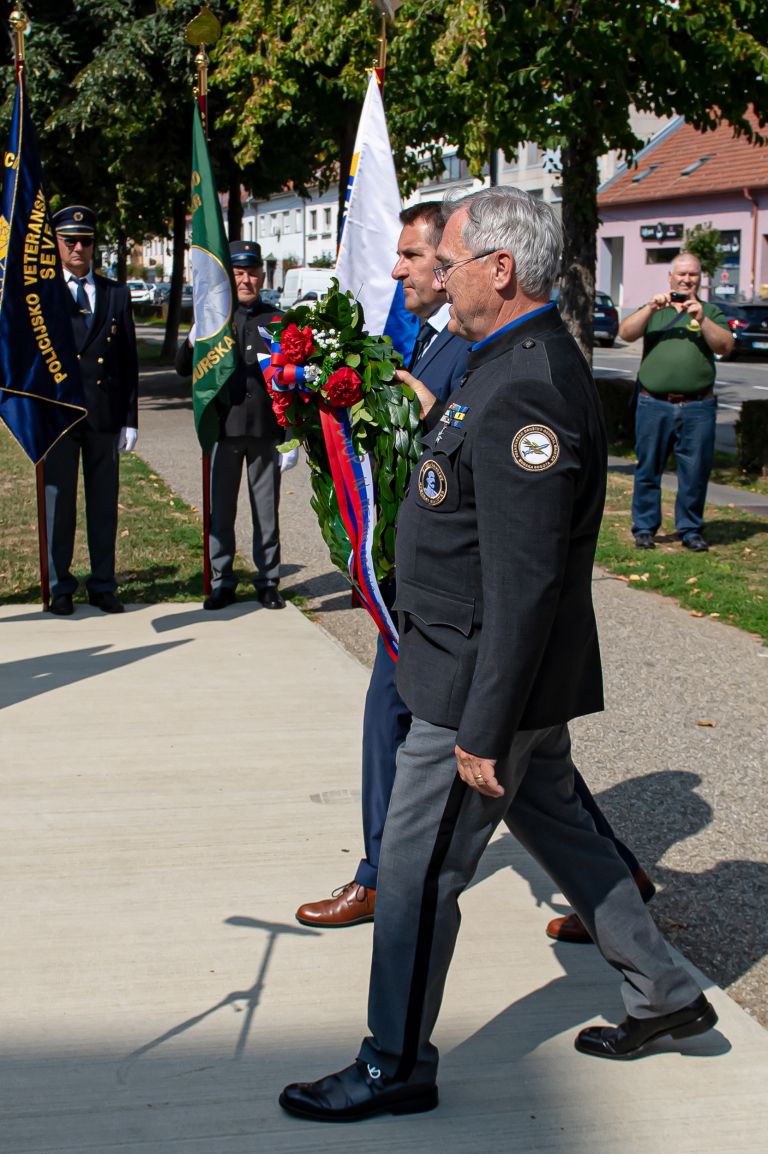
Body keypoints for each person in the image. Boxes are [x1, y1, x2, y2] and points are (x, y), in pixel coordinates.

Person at [280, 188, 717, 1123]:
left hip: (477, 683)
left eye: (455, 257)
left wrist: (483, 724)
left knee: (411, 872)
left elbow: (525, 583)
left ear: (501, 270)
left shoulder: (525, 383)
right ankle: (666, 992)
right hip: (478, 666)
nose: (439, 272)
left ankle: (394, 1061)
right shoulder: (501, 361)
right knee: (560, 826)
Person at [294, 203, 653, 941]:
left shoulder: (506, 359)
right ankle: (653, 966)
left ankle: (385, 900)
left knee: (459, 777)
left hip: (463, 618)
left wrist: (486, 718)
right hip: (440, 598)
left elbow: (524, 560)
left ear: (492, 268)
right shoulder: (447, 339)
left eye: (426, 259)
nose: (406, 272)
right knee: (537, 784)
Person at [294, 202, 470, 928]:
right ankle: (614, 878)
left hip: (446, 577)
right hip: (418, 568)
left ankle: (376, 875)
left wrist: (351, 386)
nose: (396, 268)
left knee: (410, 721)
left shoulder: (464, 344)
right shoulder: (432, 337)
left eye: (410, 255)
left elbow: (431, 426)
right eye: (395, 254)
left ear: (445, 263)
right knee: (523, 755)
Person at [176, 240, 296, 610]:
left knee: (266, 509)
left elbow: (291, 382)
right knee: (221, 509)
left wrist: (289, 438)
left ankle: (268, 580)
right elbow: (184, 368)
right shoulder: (216, 320)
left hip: (264, 430)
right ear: (230, 277)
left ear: (262, 275)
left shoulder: (276, 320)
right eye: (239, 273)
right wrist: (196, 335)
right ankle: (222, 579)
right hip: (223, 430)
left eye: (252, 272)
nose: (246, 280)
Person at [45, 206, 139, 616]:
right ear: (57, 245)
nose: (79, 248)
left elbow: (128, 361)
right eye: (70, 241)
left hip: (103, 414)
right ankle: (59, 584)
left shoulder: (116, 292)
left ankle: (103, 583)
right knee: (58, 505)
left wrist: (130, 419)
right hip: (59, 417)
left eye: (85, 240)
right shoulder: (40, 294)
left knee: (103, 505)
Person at [620, 253, 733, 553]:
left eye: (693, 274)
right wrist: (649, 307)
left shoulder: (710, 311)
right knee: (647, 470)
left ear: (700, 278)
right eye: (681, 274)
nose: (686, 279)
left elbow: (725, 345)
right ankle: (644, 528)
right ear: (670, 277)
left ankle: (690, 529)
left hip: (698, 407)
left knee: (694, 472)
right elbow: (626, 332)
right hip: (653, 404)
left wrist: (701, 319)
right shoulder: (656, 310)